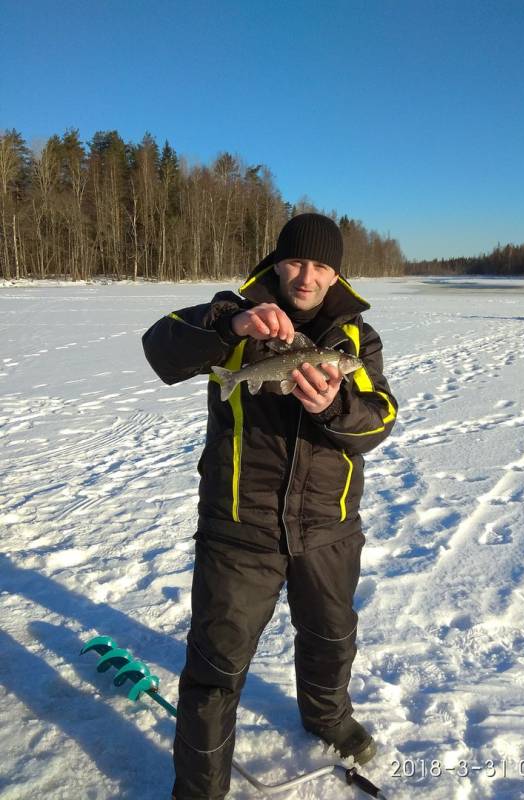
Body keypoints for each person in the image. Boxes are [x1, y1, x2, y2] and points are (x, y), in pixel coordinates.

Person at [142, 213, 398, 800]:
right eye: (296, 262)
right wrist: (232, 325)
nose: (306, 277)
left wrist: (335, 406)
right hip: (239, 526)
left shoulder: (357, 338)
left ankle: (326, 718)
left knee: (331, 638)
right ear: (276, 261)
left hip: (328, 526)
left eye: (321, 266)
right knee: (215, 669)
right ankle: (199, 790)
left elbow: (379, 419)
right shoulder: (227, 315)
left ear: (337, 272)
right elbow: (161, 351)